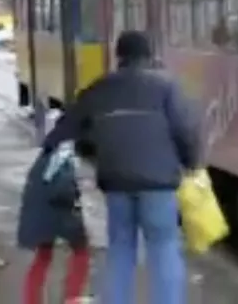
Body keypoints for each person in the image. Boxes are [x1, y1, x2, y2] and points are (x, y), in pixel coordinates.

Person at [44, 30, 204, 304]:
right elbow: (185, 130)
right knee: (163, 247)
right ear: (149, 55)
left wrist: (73, 149)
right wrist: (192, 163)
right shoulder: (166, 87)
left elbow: (64, 129)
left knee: (120, 248)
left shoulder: (99, 88)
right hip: (159, 184)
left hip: (115, 182)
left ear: (119, 56)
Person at [17, 141, 91, 304]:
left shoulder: (45, 156)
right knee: (81, 251)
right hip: (58, 212)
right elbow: (63, 190)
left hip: (37, 212)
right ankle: (72, 297)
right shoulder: (65, 155)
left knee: (43, 256)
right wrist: (76, 196)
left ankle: (31, 300)